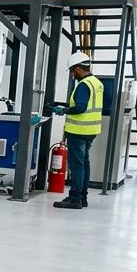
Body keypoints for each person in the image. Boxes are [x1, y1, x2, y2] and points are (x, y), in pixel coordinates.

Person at [53, 51, 103, 210]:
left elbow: (81, 107)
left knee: (76, 165)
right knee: (84, 163)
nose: (72, 74)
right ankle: (82, 197)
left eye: (72, 71)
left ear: (78, 69)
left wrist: (64, 111)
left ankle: (74, 198)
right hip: (91, 130)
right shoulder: (96, 83)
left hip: (79, 130)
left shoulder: (82, 85)